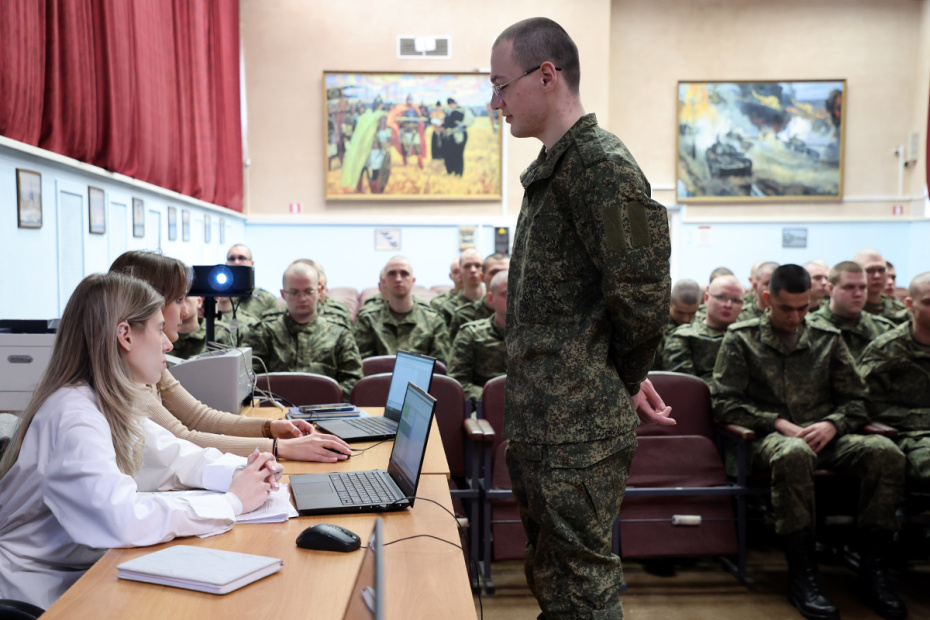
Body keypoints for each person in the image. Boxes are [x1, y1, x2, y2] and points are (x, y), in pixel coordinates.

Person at [490, 18, 674, 618]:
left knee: (583, 592)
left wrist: (612, 379)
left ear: (547, 75)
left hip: (577, 430)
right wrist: (609, 367)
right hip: (547, 420)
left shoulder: (605, 168)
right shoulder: (555, 170)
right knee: (554, 579)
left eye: (501, 85)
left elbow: (644, 296)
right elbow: (585, 307)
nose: (496, 104)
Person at [0, 272, 281, 609]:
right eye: (160, 329)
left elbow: (176, 456)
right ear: (125, 336)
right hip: (33, 593)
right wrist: (231, 503)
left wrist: (244, 472)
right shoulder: (74, 416)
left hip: (78, 573)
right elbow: (123, 520)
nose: (168, 343)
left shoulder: (105, 401)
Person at [713, 264, 906, 620]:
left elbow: (858, 400)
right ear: (768, 299)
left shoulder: (826, 337)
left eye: (804, 308)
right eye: (787, 308)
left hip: (825, 436)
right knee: (794, 453)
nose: (796, 316)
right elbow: (725, 402)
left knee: (885, 453)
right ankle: (804, 576)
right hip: (768, 441)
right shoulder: (741, 338)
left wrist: (833, 424)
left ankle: (874, 571)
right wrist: (777, 422)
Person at [110, 250, 351, 461]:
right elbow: (182, 438)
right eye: (179, 299)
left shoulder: (147, 363)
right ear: (148, 304)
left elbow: (199, 417)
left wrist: (270, 427)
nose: (185, 310)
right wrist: (280, 447)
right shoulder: (124, 372)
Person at [245, 260, 363, 399]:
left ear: (319, 291)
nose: (302, 298)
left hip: (326, 411)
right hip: (275, 411)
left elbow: (353, 380)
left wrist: (324, 400)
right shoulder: (264, 332)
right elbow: (249, 379)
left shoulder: (339, 333)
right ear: (283, 294)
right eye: (294, 292)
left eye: (308, 291)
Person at [859, 272, 930, 493]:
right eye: (928, 303)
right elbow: (864, 405)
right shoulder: (887, 349)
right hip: (907, 436)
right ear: (909, 304)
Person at [352, 256, 449, 363]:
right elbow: (362, 366)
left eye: (404, 273)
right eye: (392, 274)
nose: (398, 279)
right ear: (384, 281)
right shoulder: (367, 319)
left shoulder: (433, 321)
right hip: (380, 379)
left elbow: (440, 368)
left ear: (413, 281)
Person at [663, 274, 743, 384]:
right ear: (706, 298)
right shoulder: (684, 337)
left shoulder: (750, 337)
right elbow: (684, 388)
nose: (728, 305)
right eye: (721, 297)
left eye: (735, 300)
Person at [810, 261, 895, 362]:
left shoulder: (883, 329)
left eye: (863, 287)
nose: (858, 294)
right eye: (849, 287)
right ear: (830, 289)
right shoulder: (811, 327)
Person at [448, 270, 509, 404]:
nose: (514, 299)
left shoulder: (535, 337)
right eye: (506, 294)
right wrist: (495, 397)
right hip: (484, 408)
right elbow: (458, 382)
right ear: (491, 298)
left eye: (519, 294)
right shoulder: (471, 333)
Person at [448, 253, 510, 341]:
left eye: (505, 272)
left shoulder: (523, 315)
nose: (500, 277)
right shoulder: (464, 314)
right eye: (494, 273)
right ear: (482, 277)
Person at [653, 278, 701, 370]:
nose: (686, 319)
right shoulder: (655, 327)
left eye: (692, 313)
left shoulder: (702, 324)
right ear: (668, 303)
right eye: (680, 312)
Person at [853, 248, 909, 325]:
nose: (877, 276)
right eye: (870, 270)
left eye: (881, 270)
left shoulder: (900, 310)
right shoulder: (847, 308)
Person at [225, 244, 280, 319]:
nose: (236, 262)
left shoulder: (267, 300)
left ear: (252, 263)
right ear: (226, 264)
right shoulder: (219, 298)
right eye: (232, 258)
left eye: (241, 258)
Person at [433, 248, 486, 325]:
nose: (473, 270)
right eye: (467, 266)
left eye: (478, 265)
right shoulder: (446, 307)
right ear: (460, 271)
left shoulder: (494, 302)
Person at [441, 97, 472, 176]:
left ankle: (455, 172)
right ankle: (457, 173)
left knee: (455, 154)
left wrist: (442, 125)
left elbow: (450, 123)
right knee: (458, 154)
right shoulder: (462, 110)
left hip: (456, 135)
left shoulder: (455, 112)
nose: (450, 106)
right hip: (462, 134)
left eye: (451, 104)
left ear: (453, 103)